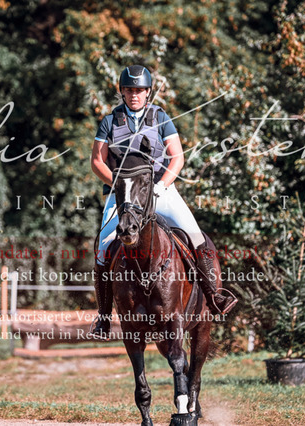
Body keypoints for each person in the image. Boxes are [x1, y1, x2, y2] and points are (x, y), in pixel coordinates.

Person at [89, 65, 237, 337]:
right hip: (123, 195)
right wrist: (119, 185)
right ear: (122, 92)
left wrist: (160, 186)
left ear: (148, 92)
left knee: (196, 237)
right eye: (129, 90)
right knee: (103, 247)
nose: (134, 94)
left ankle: (213, 296)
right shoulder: (110, 122)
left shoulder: (160, 117)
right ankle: (103, 317)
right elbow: (97, 161)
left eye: (139, 90)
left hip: (160, 189)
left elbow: (177, 157)